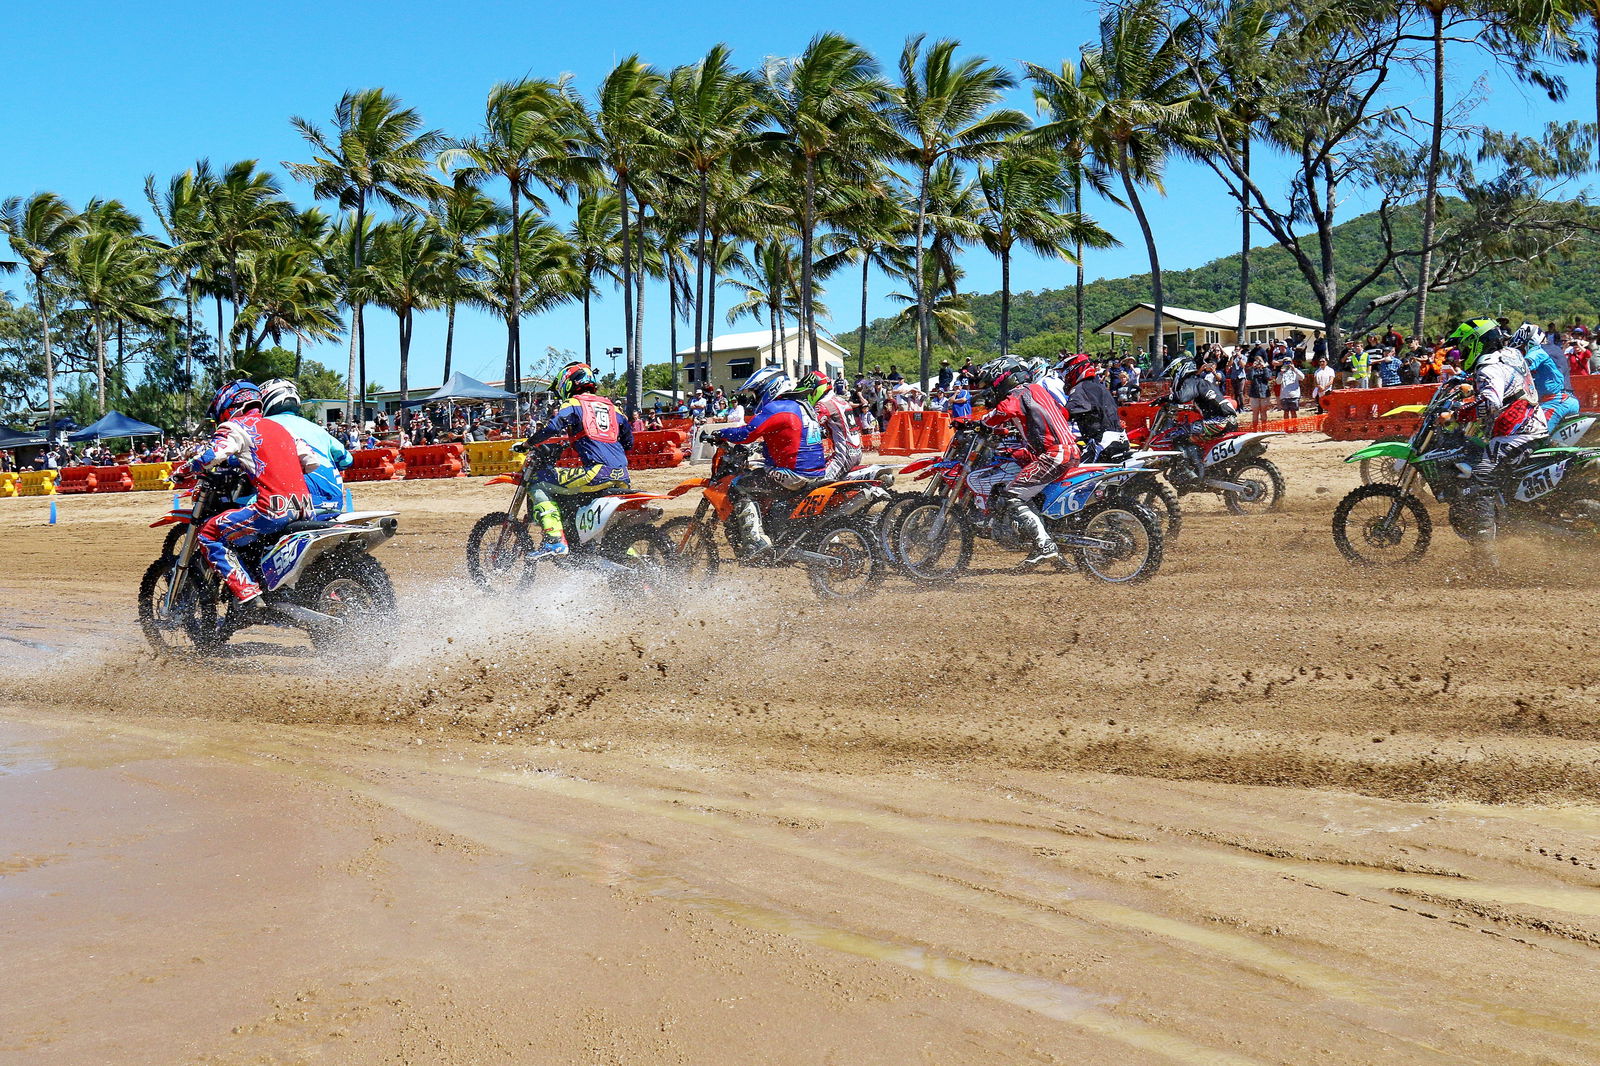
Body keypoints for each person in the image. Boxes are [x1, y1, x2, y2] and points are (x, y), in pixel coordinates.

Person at [182, 381, 316, 606]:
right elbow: (311, 462)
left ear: (228, 406)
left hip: (271, 510)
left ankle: (247, 593)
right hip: (304, 507)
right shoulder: (281, 428)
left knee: (209, 533)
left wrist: (182, 471)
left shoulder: (234, 427)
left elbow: (209, 457)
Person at [1447, 319, 1548, 551]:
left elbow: (1491, 403)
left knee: (1481, 474)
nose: (1461, 354)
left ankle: (1484, 549)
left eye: (1463, 348)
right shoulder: (1509, 352)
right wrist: (1463, 380)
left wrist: (1457, 415)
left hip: (1516, 433)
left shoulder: (1488, 368)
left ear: (1476, 343)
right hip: (1533, 426)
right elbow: (1504, 381)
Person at [513, 362, 633, 560]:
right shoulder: (615, 409)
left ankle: (554, 540)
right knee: (613, 531)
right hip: (622, 476)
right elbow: (628, 442)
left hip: (596, 473)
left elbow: (552, 428)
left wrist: (527, 444)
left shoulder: (574, 403)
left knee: (538, 483)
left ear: (568, 383)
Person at [708, 365, 826, 557]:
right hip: (816, 471)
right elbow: (790, 438)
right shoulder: (801, 406)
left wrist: (721, 433)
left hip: (794, 474)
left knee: (739, 485)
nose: (755, 398)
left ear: (769, 387)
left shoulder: (777, 407)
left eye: (756, 393)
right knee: (761, 476)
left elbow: (748, 433)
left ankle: (756, 541)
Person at [976, 356, 1079, 567]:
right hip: (1068, 450)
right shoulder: (1038, 390)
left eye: (993, 382)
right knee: (1034, 496)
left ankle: (1045, 546)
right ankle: (1052, 550)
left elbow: (1003, 411)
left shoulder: (1019, 393)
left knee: (1013, 496)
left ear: (1004, 377)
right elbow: (1062, 413)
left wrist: (980, 423)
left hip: (1054, 454)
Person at [259, 379, 352, 514]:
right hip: (334, 502)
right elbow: (347, 460)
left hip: (292, 503)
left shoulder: (261, 426)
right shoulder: (317, 429)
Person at [1163, 357, 1240, 479]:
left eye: (1173, 375)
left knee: (1177, 435)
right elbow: (1206, 404)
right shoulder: (1201, 382)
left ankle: (1195, 473)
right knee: (1194, 436)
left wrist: (1165, 398)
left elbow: (1182, 397)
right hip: (1228, 420)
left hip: (1219, 421)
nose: (1173, 379)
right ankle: (1211, 470)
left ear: (1180, 370)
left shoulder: (1191, 381)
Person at [1056, 353, 1125, 461]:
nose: (1064, 375)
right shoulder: (1099, 387)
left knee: (1071, 469)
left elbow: (1066, 413)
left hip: (1102, 443)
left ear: (1074, 369)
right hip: (1119, 438)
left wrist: (1052, 412)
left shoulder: (1081, 389)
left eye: (1066, 369)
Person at [1513, 323, 1578, 434]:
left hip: (1555, 401)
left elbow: (1523, 365)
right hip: (1566, 398)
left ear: (1530, 342)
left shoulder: (1538, 351)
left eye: (1522, 348)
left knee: (1535, 436)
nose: (1522, 352)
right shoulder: (1555, 349)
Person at [797, 369, 862, 479]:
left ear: (815, 390)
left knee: (813, 481)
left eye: (808, 392)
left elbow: (806, 426)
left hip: (842, 456)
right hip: (856, 452)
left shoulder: (823, 405)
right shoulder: (840, 401)